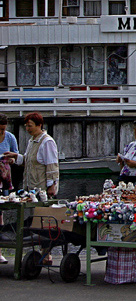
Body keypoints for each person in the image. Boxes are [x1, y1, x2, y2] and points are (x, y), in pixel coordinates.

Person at [3, 112, 59, 197]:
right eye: (26, 126)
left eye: (30, 126)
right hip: (31, 188)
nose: (27, 128)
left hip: (42, 189)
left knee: (42, 210)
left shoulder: (47, 142)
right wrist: (15, 156)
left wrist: (51, 186)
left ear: (39, 125)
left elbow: (52, 165)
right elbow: (28, 160)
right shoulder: (32, 140)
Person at [0, 114, 19, 264]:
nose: (2, 132)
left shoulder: (10, 137)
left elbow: (15, 157)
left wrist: (10, 159)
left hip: (4, 177)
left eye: (3, 129)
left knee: (2, 210)